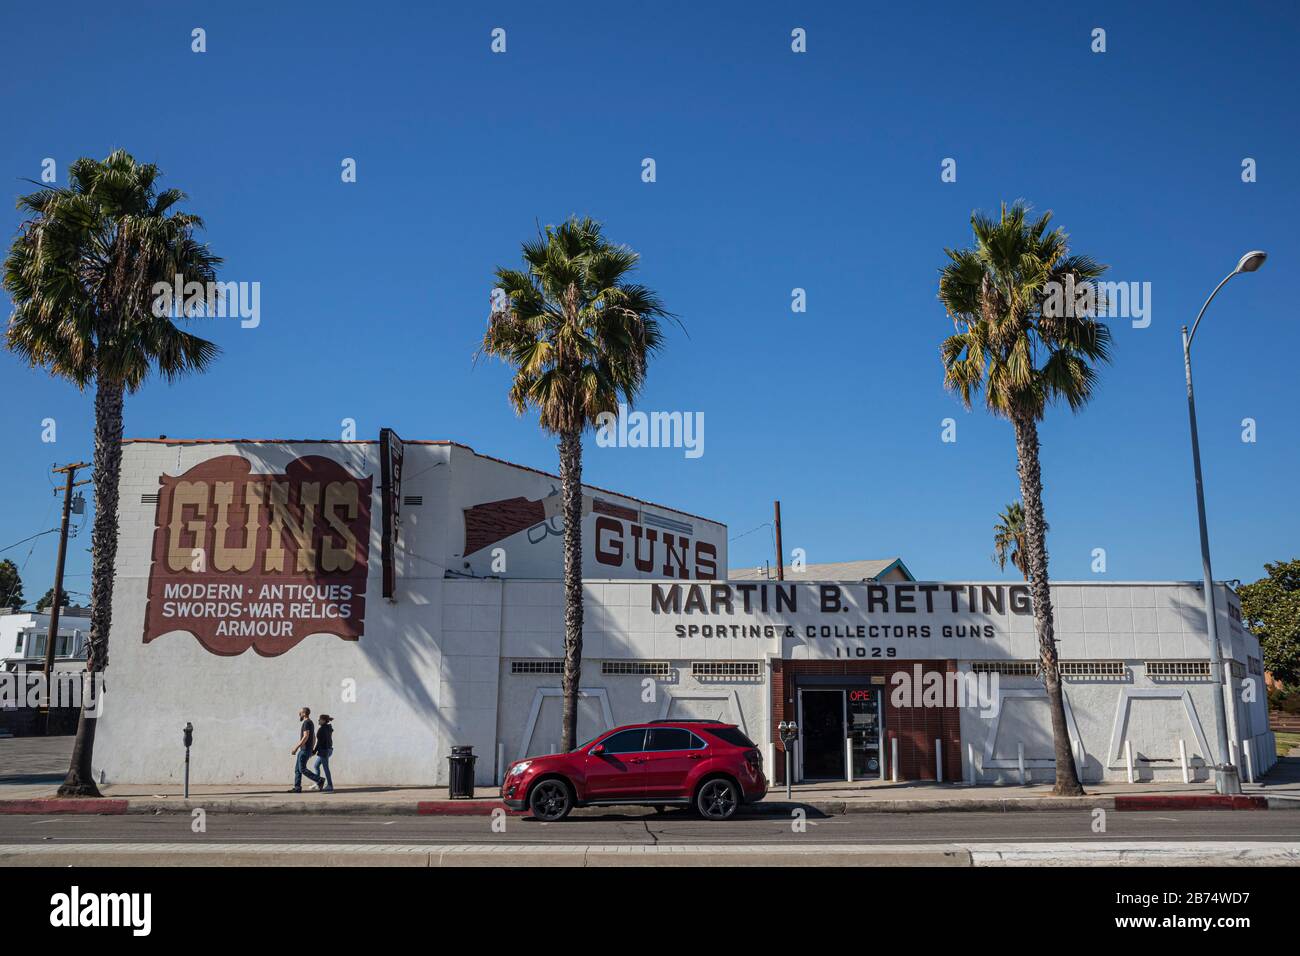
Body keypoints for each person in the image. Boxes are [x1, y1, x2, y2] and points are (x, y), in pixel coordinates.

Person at [289, 706, 323, 792]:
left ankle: (319, 780)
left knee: (302, 769)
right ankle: (297, 788)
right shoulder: (310, 723)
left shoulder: (306, 723)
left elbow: (306, 736)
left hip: (304, 749)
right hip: (306, 749)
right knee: (297, 769)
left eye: (300, 712)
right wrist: (312, 748)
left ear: (304, 714)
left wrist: (296, 748)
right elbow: (314, 737)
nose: (299, 714)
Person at [312, 714, 335, 792]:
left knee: (326, 768)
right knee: (316, 765)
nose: (318, 720)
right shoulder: (329, 728)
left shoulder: (321, 729)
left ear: (324, 720)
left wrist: (314, 751)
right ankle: (318, 783)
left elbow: (319, 742)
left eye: (320, 719)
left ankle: (330, 785)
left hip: (324, 751)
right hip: (329, 750)